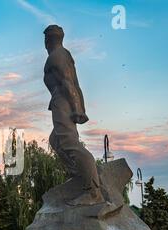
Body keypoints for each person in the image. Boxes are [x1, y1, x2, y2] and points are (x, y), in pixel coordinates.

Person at [43, 25, 104, 206]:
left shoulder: (57, 56)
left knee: (70, 143)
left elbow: (68, 82)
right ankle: (79, 175)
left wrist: (78, 108)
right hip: (64, 101)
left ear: (48, 40)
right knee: (56, 140)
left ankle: (93, 192)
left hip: (63, 101)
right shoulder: (63, 54)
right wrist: (78, 106)